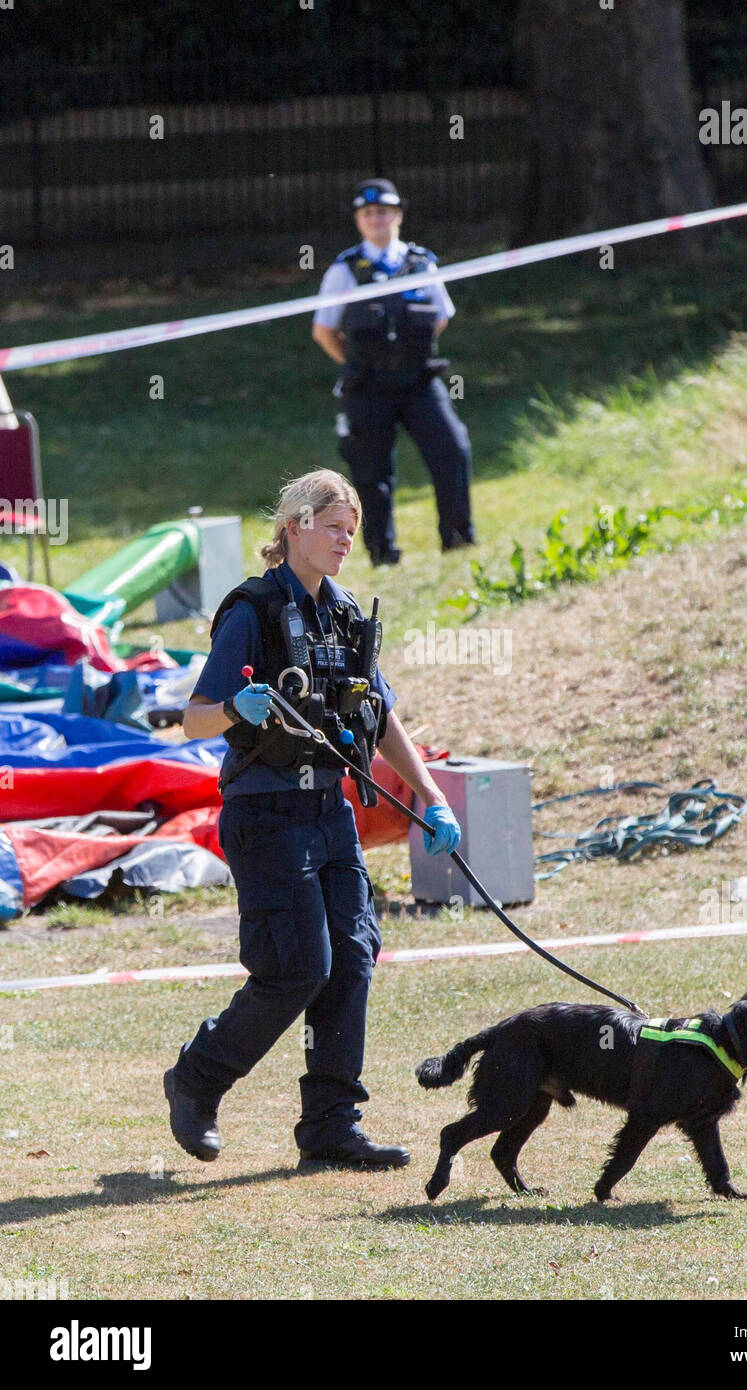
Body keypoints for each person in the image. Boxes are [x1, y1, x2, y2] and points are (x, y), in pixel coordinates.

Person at [165, 469, 462, 1172]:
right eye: (332, 528)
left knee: (352, 959)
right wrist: (239, 709)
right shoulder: (252, 611)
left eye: (351, 533)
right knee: (298, 966)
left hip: (329, 809)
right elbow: (191, 721)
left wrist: (430, 795)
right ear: (293, 526)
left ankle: (330, 1125)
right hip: (265, 812)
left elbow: (380, 715)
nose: (343, 543)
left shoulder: (347, 613)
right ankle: (197, 1078)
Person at [312, 177, 476, 566]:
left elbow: (441, 317)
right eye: (367, 213)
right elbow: (323, 331)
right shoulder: (345, 270)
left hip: (419, 381)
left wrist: (406, 354)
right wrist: (358, 363)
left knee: (453, 450)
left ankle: (458, 540)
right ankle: (383, 554)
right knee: (371, 472)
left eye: (383, 211)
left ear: (398, 215)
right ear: (358, 221)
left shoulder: (421, 263)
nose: (376, 219)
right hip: (368, 386)